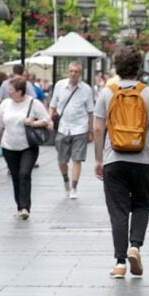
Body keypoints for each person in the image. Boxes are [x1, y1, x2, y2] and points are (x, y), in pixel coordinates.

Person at [95, 46, 149, 279]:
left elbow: (97, 128)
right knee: (142, 204)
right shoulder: (148, 93)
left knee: (118, 211)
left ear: (117, 67)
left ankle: (119, 263)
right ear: (138, 68)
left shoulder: (107, 92)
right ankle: (135, 246)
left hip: (113, 159)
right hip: (141, 159)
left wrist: (98, 159)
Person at [0, 75, 52, 220]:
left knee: (24, 174)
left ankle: (25, 207)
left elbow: (47, 120)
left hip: (28, 146)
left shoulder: (33, 103)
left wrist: (33, 123)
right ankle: (19, 206)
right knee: (16, 176)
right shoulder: (5, 104)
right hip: (8, 146)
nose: (8, 92)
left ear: (20, 91)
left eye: (11, 90)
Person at [49, 61, 95, 199]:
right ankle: (66, 180)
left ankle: (74, 187)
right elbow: (52, 105)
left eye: (76, 72)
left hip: (80, 128)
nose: (73, 74)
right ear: (68, 72)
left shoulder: (86, 89)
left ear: (80, 73)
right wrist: (49, 120)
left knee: (77, 159)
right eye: (71, 71)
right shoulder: (59, 86)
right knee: (62, 160)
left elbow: (90, 111)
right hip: (63, 127)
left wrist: (90, 130)